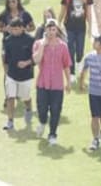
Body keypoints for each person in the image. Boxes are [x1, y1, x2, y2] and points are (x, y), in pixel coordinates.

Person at [32, 18, 71, 146]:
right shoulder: (38, 44)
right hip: (42, 83)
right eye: (49, 29)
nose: (51, 32)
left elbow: (66, 65)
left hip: (57, 85)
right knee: (42, 109)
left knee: (56, 110)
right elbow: (36, 60)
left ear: (56, 31)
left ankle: (53, 133)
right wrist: (43, 44)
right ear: (45, 30)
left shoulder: (63, 46)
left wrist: (68, 82)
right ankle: (42, 122)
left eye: (53, 29)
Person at [59, 0, 94, 83]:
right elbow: (63, 11)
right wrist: (58, 23)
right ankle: (72, 72)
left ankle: (79, 63)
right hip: (69, 27)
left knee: (79, 50)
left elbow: (88, 13)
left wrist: (90, 28)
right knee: (70, 50)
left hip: (81, 28)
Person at [2, 18, 35, 131]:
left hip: (26, 75)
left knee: (25, 97)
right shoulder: (7, 40)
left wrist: (26, 63)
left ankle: (29, 108)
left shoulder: (30, 40)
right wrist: (6, 73)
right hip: (11, 74)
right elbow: (6, 58)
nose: (14, 31)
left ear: (22, 28)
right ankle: (10, 121)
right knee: (10, 97)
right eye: (12, 29)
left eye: (16, 29)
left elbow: (35, 58)